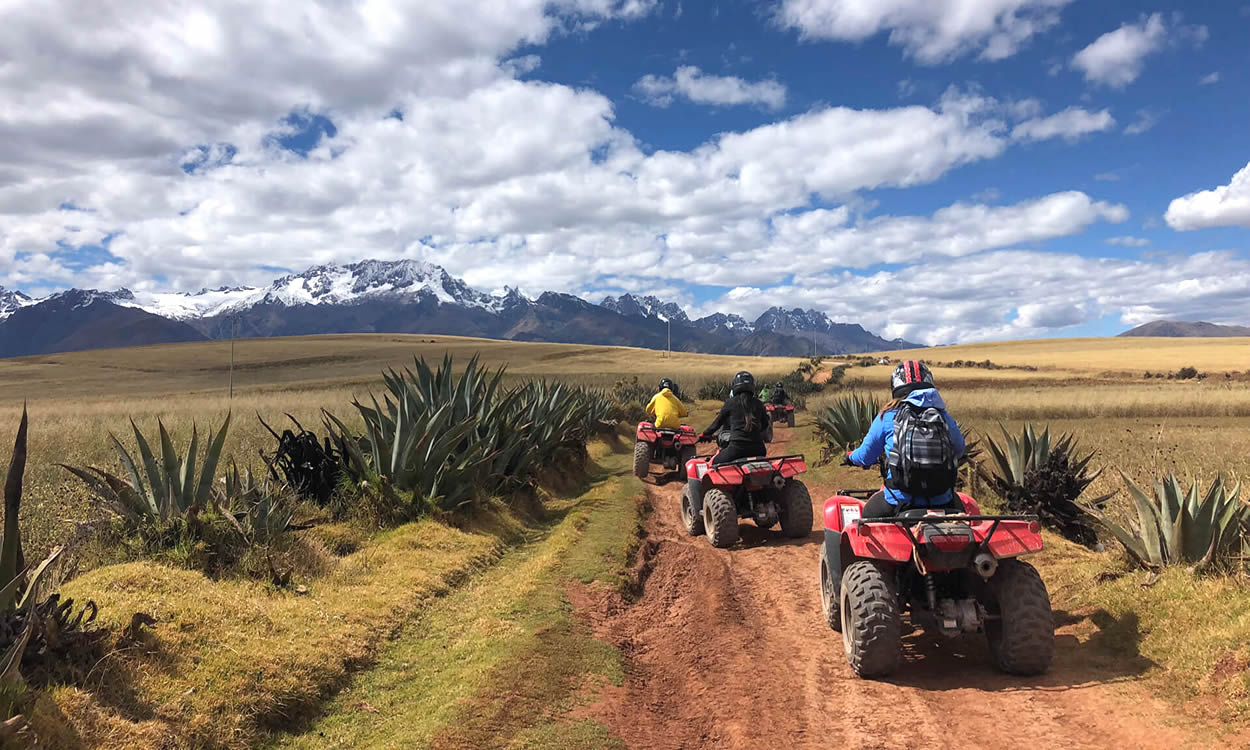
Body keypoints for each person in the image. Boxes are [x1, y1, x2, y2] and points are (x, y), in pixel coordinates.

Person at [843, 361, 965, 518]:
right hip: (943, 501)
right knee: (966, 517)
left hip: (898, 502)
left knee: (867, 517)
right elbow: (960, 449)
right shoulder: (944, 416)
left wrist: (850, 457)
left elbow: (866, 456)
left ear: (896, 387)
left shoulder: (887, 416)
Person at [699, 371, 770, 465]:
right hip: (759, 450)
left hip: (737, 449)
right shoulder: (759, 404)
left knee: (713, 464)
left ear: (735, 385)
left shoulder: (730, 403)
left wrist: (705, 434)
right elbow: (765, 424)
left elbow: (717, 423)